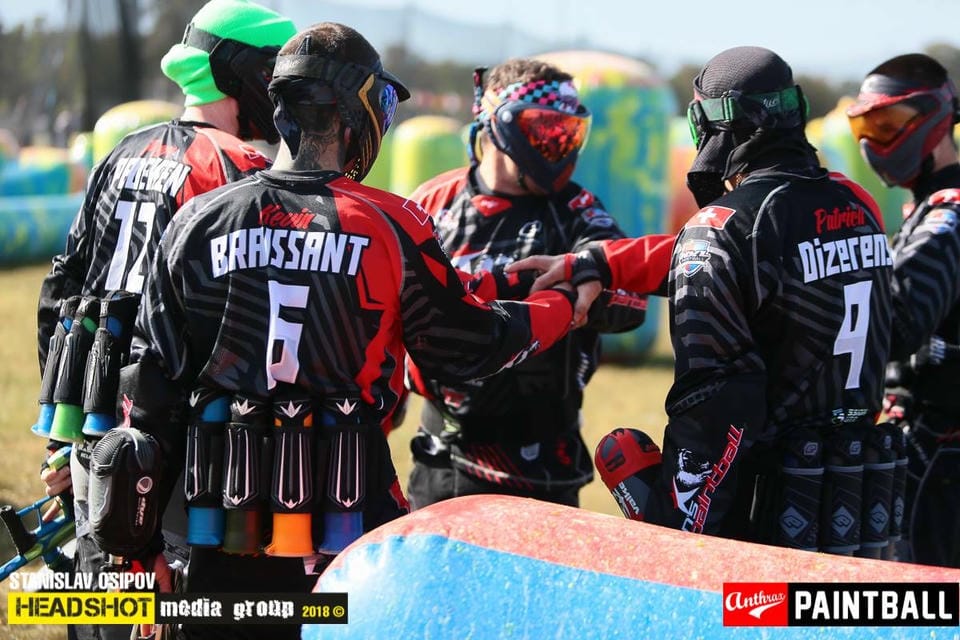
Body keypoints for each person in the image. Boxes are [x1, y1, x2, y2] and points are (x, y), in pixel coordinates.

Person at [97, 22, 577, 640]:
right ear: (356, 114)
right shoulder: (390, 223)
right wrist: (560, 303)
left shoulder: (199, 219)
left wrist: (139, 550)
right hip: (345, 535)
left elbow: (148, 390)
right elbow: (470, 346)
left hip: (215, 530)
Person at [511, 46, 894, 555]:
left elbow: (715, 403)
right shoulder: (857, 204)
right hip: (860, 510)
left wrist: (677, 530)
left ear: (713, 125)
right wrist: (599, 261)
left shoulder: (724, 231)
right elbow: (750, 262)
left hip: (764, 530)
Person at [35, 1, 297, 638]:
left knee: (101, 609)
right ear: (239, 73)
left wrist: (62, 430)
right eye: (276, 77)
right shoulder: (240, 172)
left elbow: (61, 293)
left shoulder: (121, 153)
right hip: (179, 455)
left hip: (97, 430)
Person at [404, 58, 648, 509]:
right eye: (544, 131)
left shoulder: (578, 211)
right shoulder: (432, 203)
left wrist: (582, 289)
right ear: (499, 125)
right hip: (439, 458)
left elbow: (632, 299)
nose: (558, 146)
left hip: (542, 467)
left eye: (569, 134)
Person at [846, 53, 960, 566]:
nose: (873, 144)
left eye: (887, 125)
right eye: (864, 129)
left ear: (934, 120)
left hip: (941, 452)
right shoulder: (928, 208)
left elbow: (899, 323)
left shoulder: (949, 215)